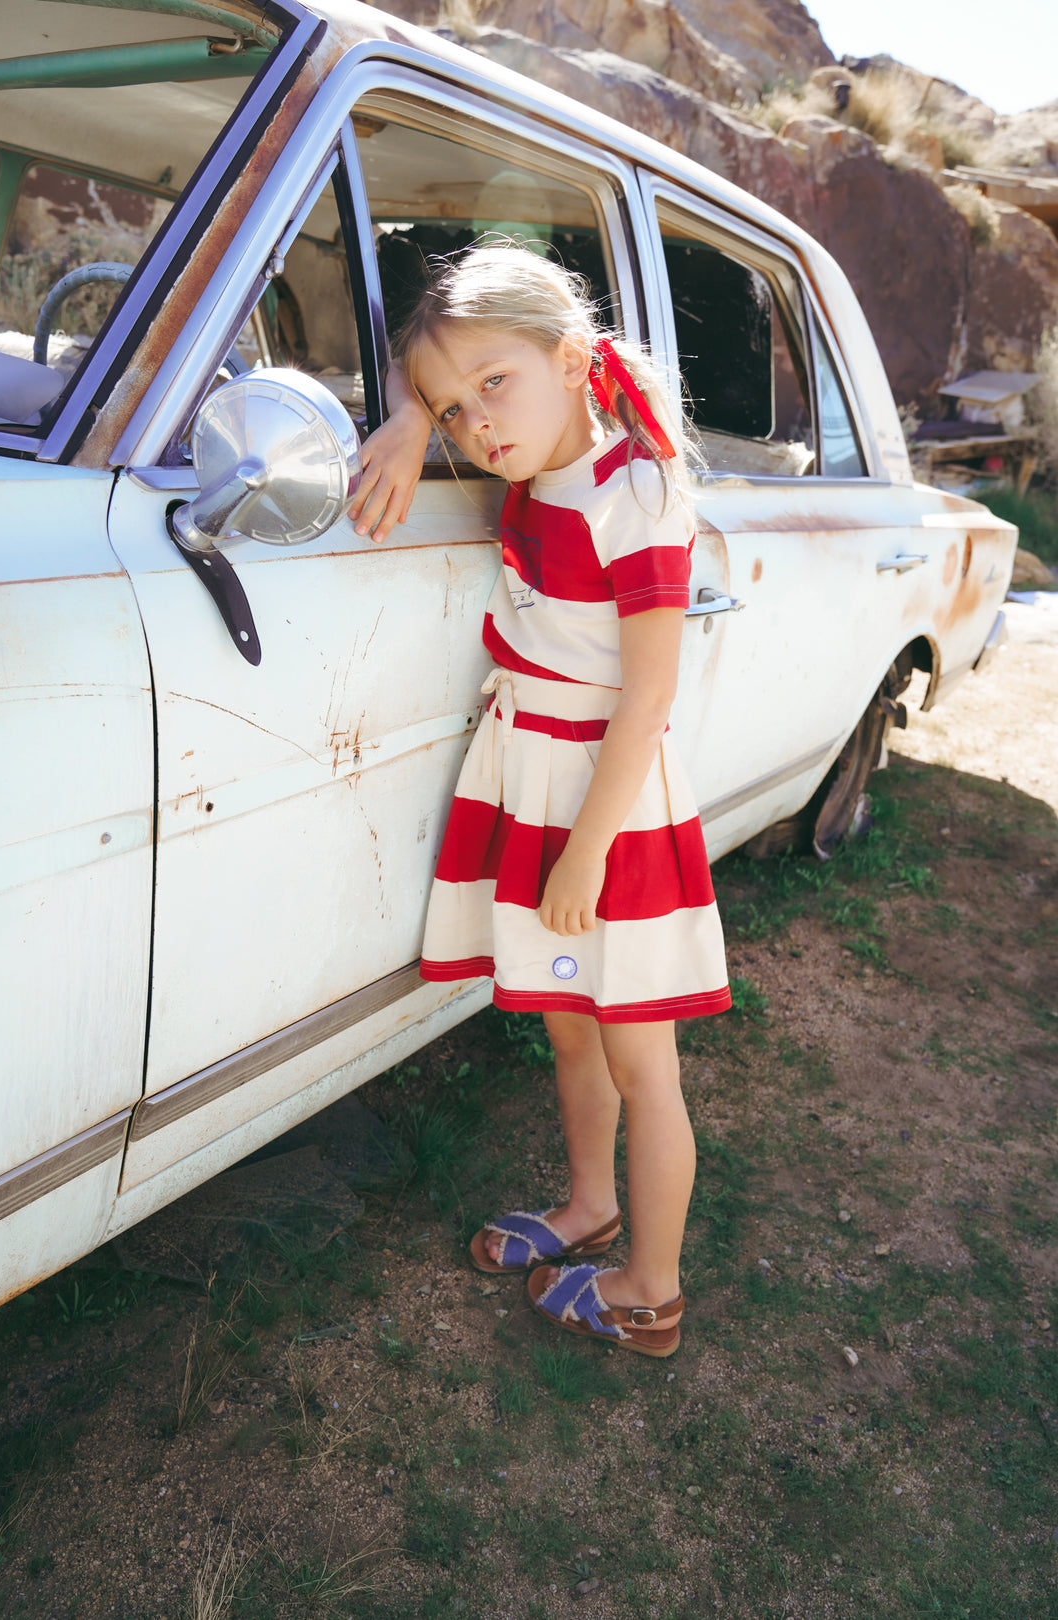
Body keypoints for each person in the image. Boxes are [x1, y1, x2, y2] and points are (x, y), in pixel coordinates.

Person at [353, 244, 730, 1358]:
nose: (479, 423)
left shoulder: (637, 492)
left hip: (608, 814)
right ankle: (588, 1208)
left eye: (493, 387)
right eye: (455, 410)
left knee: (637, 1057)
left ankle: (651, 1288)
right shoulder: (525, 473)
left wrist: (582, 856)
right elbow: (440, 385)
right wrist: (415, 417)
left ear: (574, 361)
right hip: (536, 780)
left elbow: (649, 698)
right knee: (570, 1037)